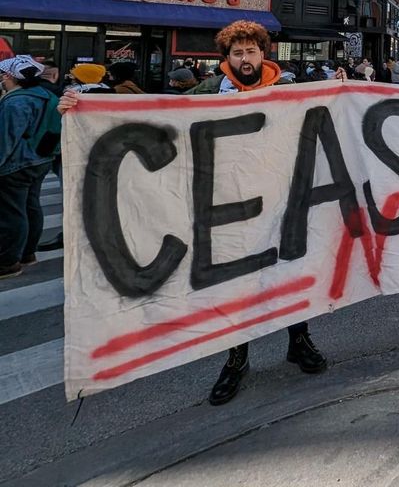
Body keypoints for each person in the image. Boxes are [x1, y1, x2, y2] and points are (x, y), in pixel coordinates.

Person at [63, 21, 342, 402]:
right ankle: (236, 358)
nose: (245, 59)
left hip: (281, 199)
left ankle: (299, 339)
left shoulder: (288, 89)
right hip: (223, 205)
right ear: (227, 57)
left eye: (251, 51)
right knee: (233, 283)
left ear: (264, 53)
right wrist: (84, 109)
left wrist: (343, 91)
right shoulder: (209, 90)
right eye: (237, 53)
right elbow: (161, 117)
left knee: (288, 271)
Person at [0, 56, 61, 279]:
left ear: (9, 76)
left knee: (11, 214)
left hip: (16, 164)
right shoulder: (47, 95)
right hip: (41, 160)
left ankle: (7, 262)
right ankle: (27, 253)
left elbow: (6, 139)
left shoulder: (16, 102)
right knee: (30, 206)